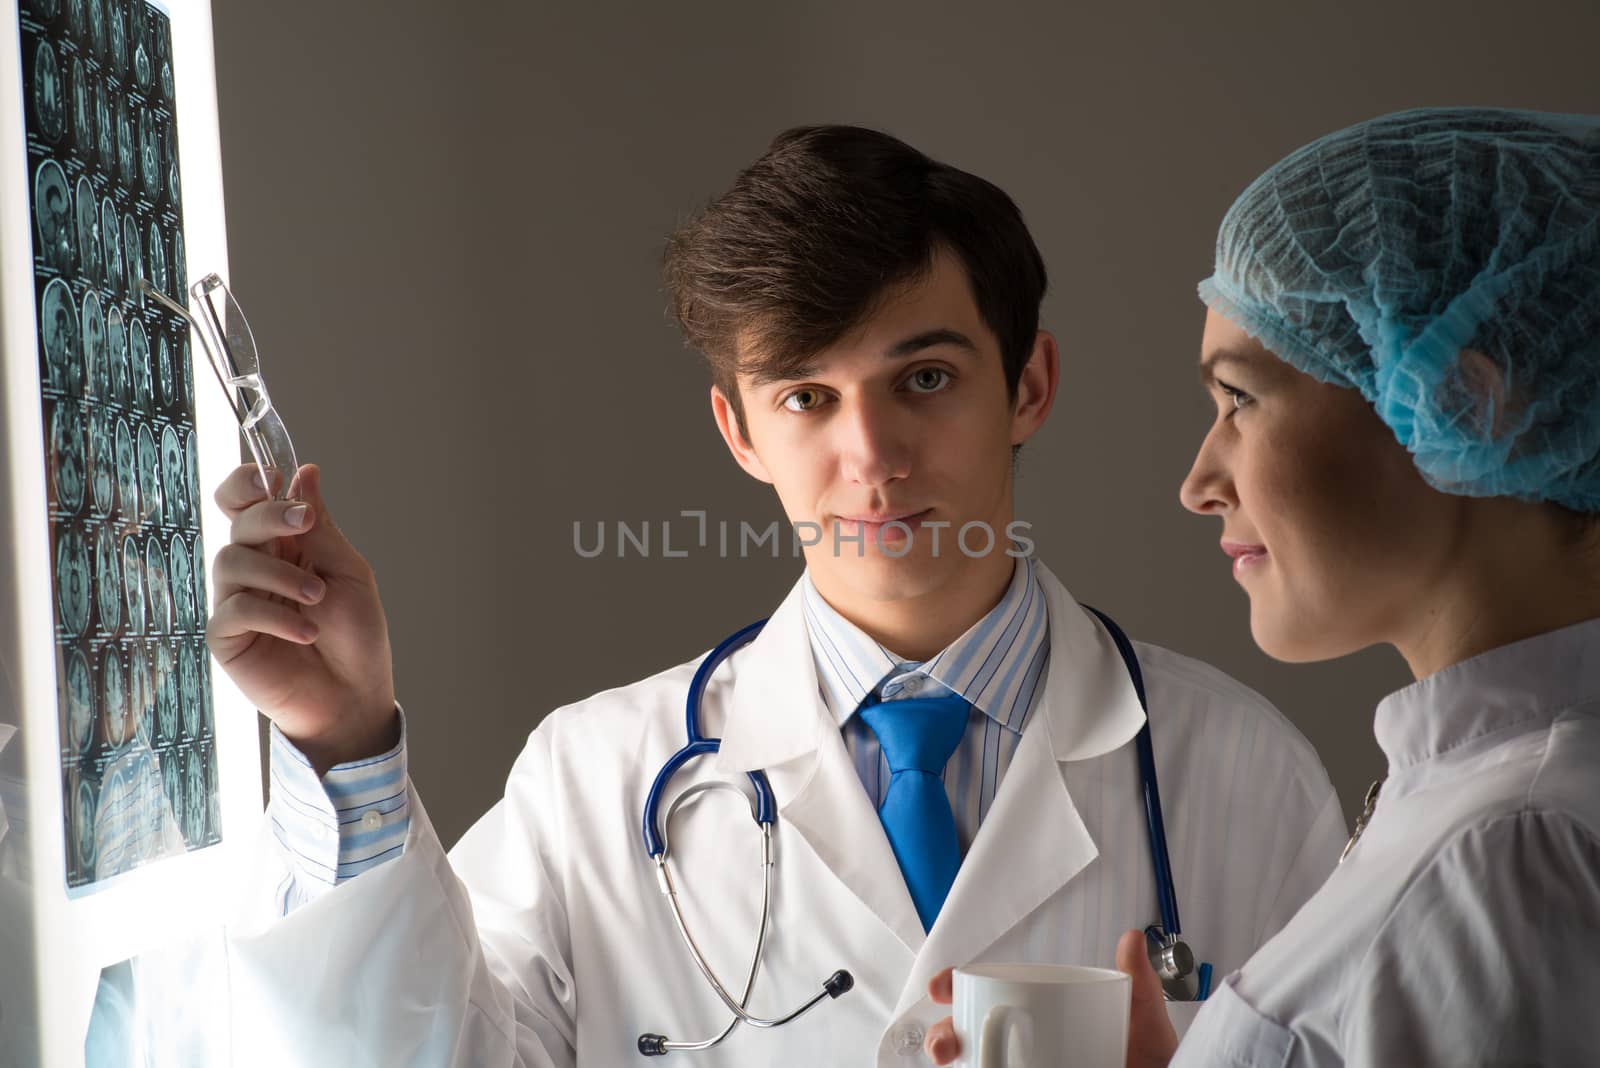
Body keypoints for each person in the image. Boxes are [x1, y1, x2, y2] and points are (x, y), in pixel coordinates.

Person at [216, 126, 1345, 1066]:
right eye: (806, 397)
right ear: (739, 433)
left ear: (1028, 386)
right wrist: (347, 738)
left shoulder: (1240, 773)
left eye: (926, 378)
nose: (872, 455)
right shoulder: (593, 784)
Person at [926, 106, 1600, 1067]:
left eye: (1239, 398)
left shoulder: (1508, 858)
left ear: (1465, 401)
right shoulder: (1490, 805)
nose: (1199, 484)